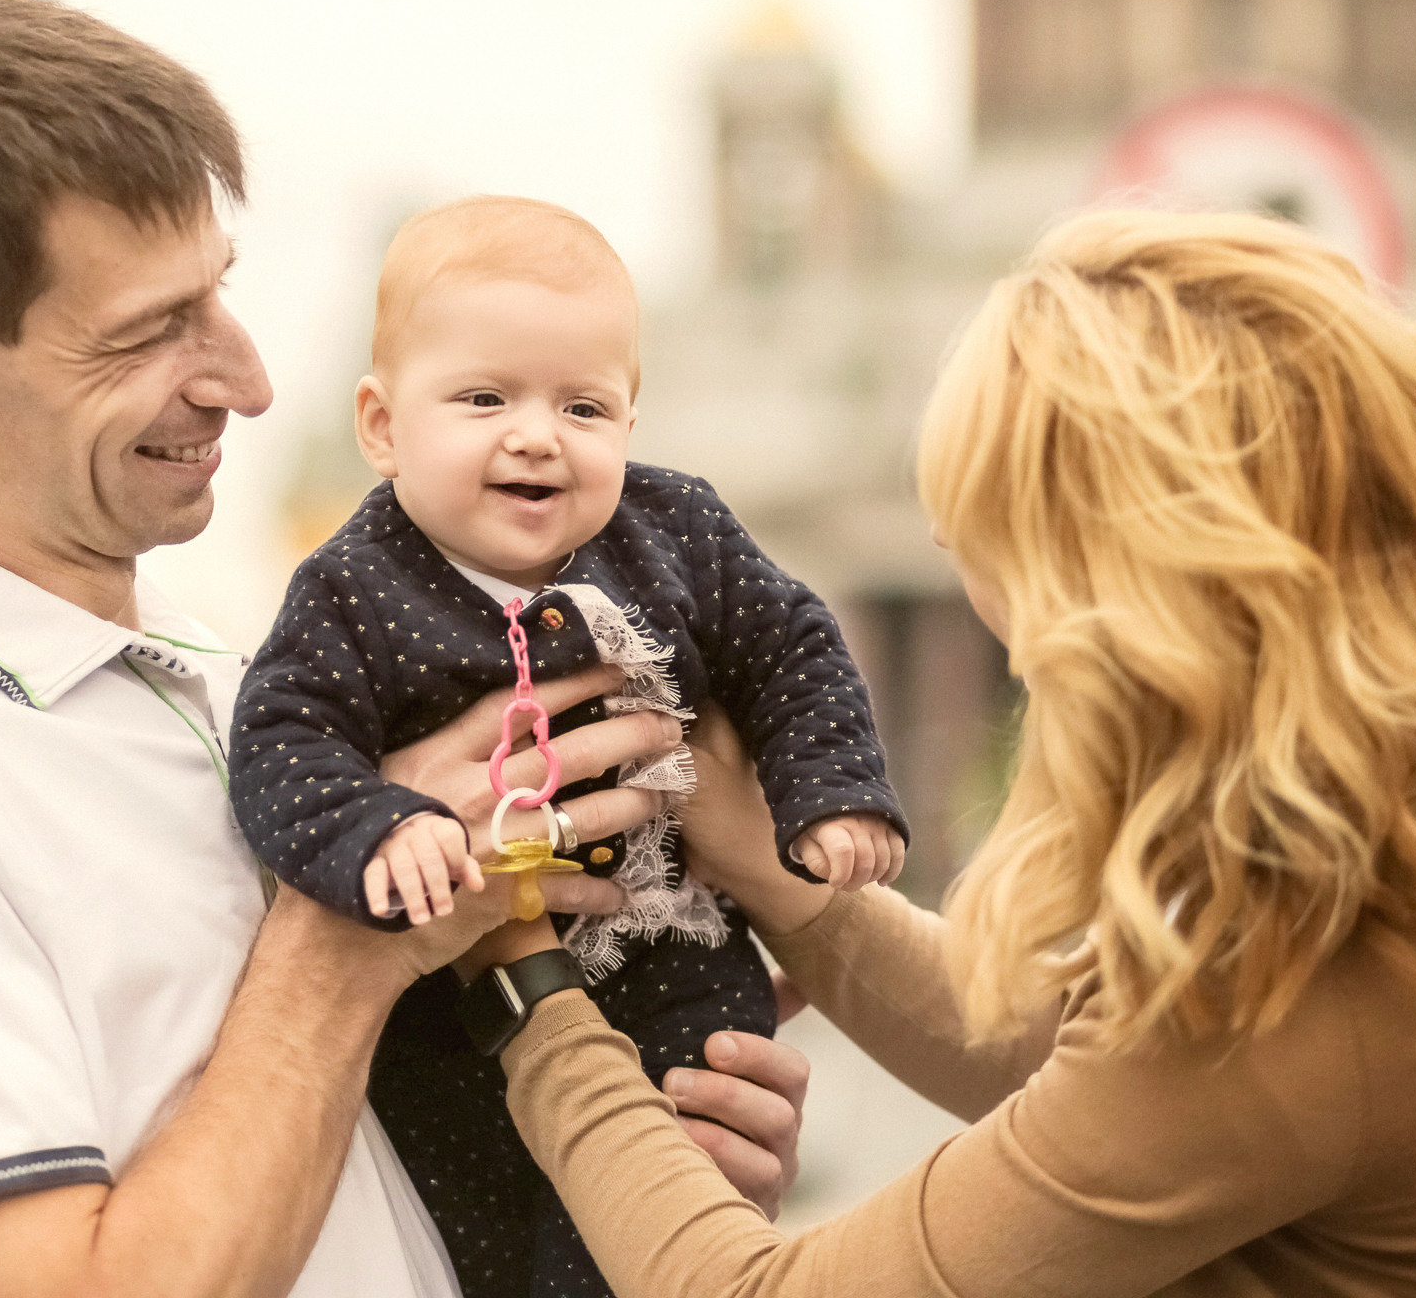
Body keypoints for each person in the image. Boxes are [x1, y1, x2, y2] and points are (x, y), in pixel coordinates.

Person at [0, 0, 808, 1298]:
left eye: (218, 295)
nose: (249, 381)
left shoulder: (225, 688)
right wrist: (357, 935)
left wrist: (643, 1158)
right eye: (149, 330)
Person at [483, 210, 1416, 1294]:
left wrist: (521, 978)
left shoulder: (1279, 1000)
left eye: (1005, 576)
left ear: (1128, 601)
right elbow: (1073, 1066)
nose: (1013, 652)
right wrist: (772, 868)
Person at [229, 196, 908, 1296]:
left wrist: (829, 791)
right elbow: (280, 739)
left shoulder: (676, 530)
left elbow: (793, 648)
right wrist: (379, 826)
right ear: (382, 425)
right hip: (448, 1015)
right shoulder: (351, 589)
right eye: (485, 397)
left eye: (583, 406)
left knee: (655, 1207)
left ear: (631, 427)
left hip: (673, 965)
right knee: (464, 1230)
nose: (537, 433)